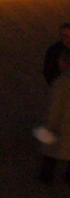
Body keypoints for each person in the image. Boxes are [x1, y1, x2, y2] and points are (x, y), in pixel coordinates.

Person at [37, 47, 70, 183]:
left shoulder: (62, 82)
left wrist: (48, 125)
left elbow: (55, 107)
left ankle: (46, 177)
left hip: (62, 123)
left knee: (50, 151)